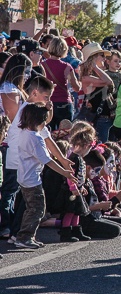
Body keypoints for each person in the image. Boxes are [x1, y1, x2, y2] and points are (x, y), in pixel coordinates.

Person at [14, 103, 76, 249]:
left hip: (24, 177)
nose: (46, 123)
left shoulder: (24, 132)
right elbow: (48, 161)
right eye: (44, 120)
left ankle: (25, 236)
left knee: (31, 208)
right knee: (37, 209)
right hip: (32, 180)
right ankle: (25, 237)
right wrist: (64, 172)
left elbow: (48, 141)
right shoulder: (35, 138)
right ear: (38, 121)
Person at [58, 129, 94, 242]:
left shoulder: (80, 158)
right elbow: (70, 174)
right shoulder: (74, 158)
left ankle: (76, 231)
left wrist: (81, 186)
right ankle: (65, 232)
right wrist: (73, 187)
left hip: (77, 189)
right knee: (69, 212)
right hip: (70, 190)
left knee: (77, 212)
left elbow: (79, 176)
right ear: (84, 146)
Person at [42, 37, 82, 130]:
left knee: (47, 133)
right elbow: (76, 88)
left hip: (47, 103)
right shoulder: (66, 66)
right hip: (64, 102)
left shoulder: (43, 65)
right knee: (65, 135)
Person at [79, 43, 115, 143]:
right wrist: (94, 67)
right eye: (102, 56)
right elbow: (109, 82)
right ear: (93, 58)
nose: (104, 58)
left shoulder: (97, 75)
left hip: (107, 120)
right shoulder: (86, 78)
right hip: (100, 121)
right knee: (101, 150)